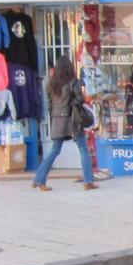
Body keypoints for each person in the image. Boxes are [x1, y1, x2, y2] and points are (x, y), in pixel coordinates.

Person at [32, 55, 97, 191]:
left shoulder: (52, 84)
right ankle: (88, 181)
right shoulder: (74, 81)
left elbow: (50, 105)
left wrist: (54, 117)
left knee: (54, 151)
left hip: (57, 120)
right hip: (72, 120)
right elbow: (79, 99)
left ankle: (39, 179)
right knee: (83, 148)